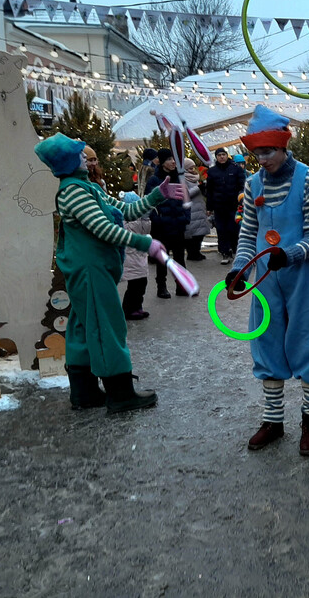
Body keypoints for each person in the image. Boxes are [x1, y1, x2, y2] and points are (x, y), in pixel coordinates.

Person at [34, 133, 182, 413]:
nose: (86, 159)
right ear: (68, 161)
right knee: (107, 326)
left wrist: (156, 195)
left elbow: (126, 211)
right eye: (80, 155)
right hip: (90, 269)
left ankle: (85, 391)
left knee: (81, 326)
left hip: (89, 268)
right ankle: (120, 391)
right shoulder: (74, 191)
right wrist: (144, 243)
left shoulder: (87, 188)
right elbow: (101, 228)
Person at [226, 105, 309, 457]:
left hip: (305, 277)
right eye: (256, 152)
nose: (262, 159)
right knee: (267, 343)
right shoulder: (253, 183)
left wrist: (289, 254)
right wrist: (239, 269)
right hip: (266, 280)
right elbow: (248, 234)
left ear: (283, 146)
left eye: (268, 151)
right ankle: (273, 420)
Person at [145, 149, 190, 299]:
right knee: (162, 259)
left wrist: (186, 217)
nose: (173, 162)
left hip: (178, 223)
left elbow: (186, 200)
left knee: (179, 257)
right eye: (169, 159)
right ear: (163, 161)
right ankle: (161, 286)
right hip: (162, 226)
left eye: (174, 159)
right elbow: (148, 202)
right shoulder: (154, 180)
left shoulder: (179, 178)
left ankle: (181, 286)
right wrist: (157, 220)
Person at [207, 147, 245, 265]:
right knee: (221, 230)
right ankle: (225, 252)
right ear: (216, 157)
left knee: (234, 228)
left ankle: (235, 249)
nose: (222, 157)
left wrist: (241, 198)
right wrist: (209, 207)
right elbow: (209, 190)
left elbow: (242, 185)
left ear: (227, 155)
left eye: (223, 154)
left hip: (233, 205)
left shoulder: (235, 169)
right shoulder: (212, 171)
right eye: (219, 155)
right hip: (219, 206)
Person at [120, 191, 151, 320]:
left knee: (140, 285)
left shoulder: (139, 220)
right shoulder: (126, 221)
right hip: (132, 258)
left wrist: (146, 219)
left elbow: (146, 231)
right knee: (135, 287)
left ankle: (137, 307)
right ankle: (128, 310)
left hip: (139, 257)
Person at [182, 159, 210, 261]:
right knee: (192, 234)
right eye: (190, 167)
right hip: (191, 209)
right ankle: (192, 253)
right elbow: (185, 194)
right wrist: (199, 188)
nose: (193, 169)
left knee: (200, 233)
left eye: (193, 167)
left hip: (199, 207)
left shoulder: (195, 177)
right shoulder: (182, 178)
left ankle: (197, 252)